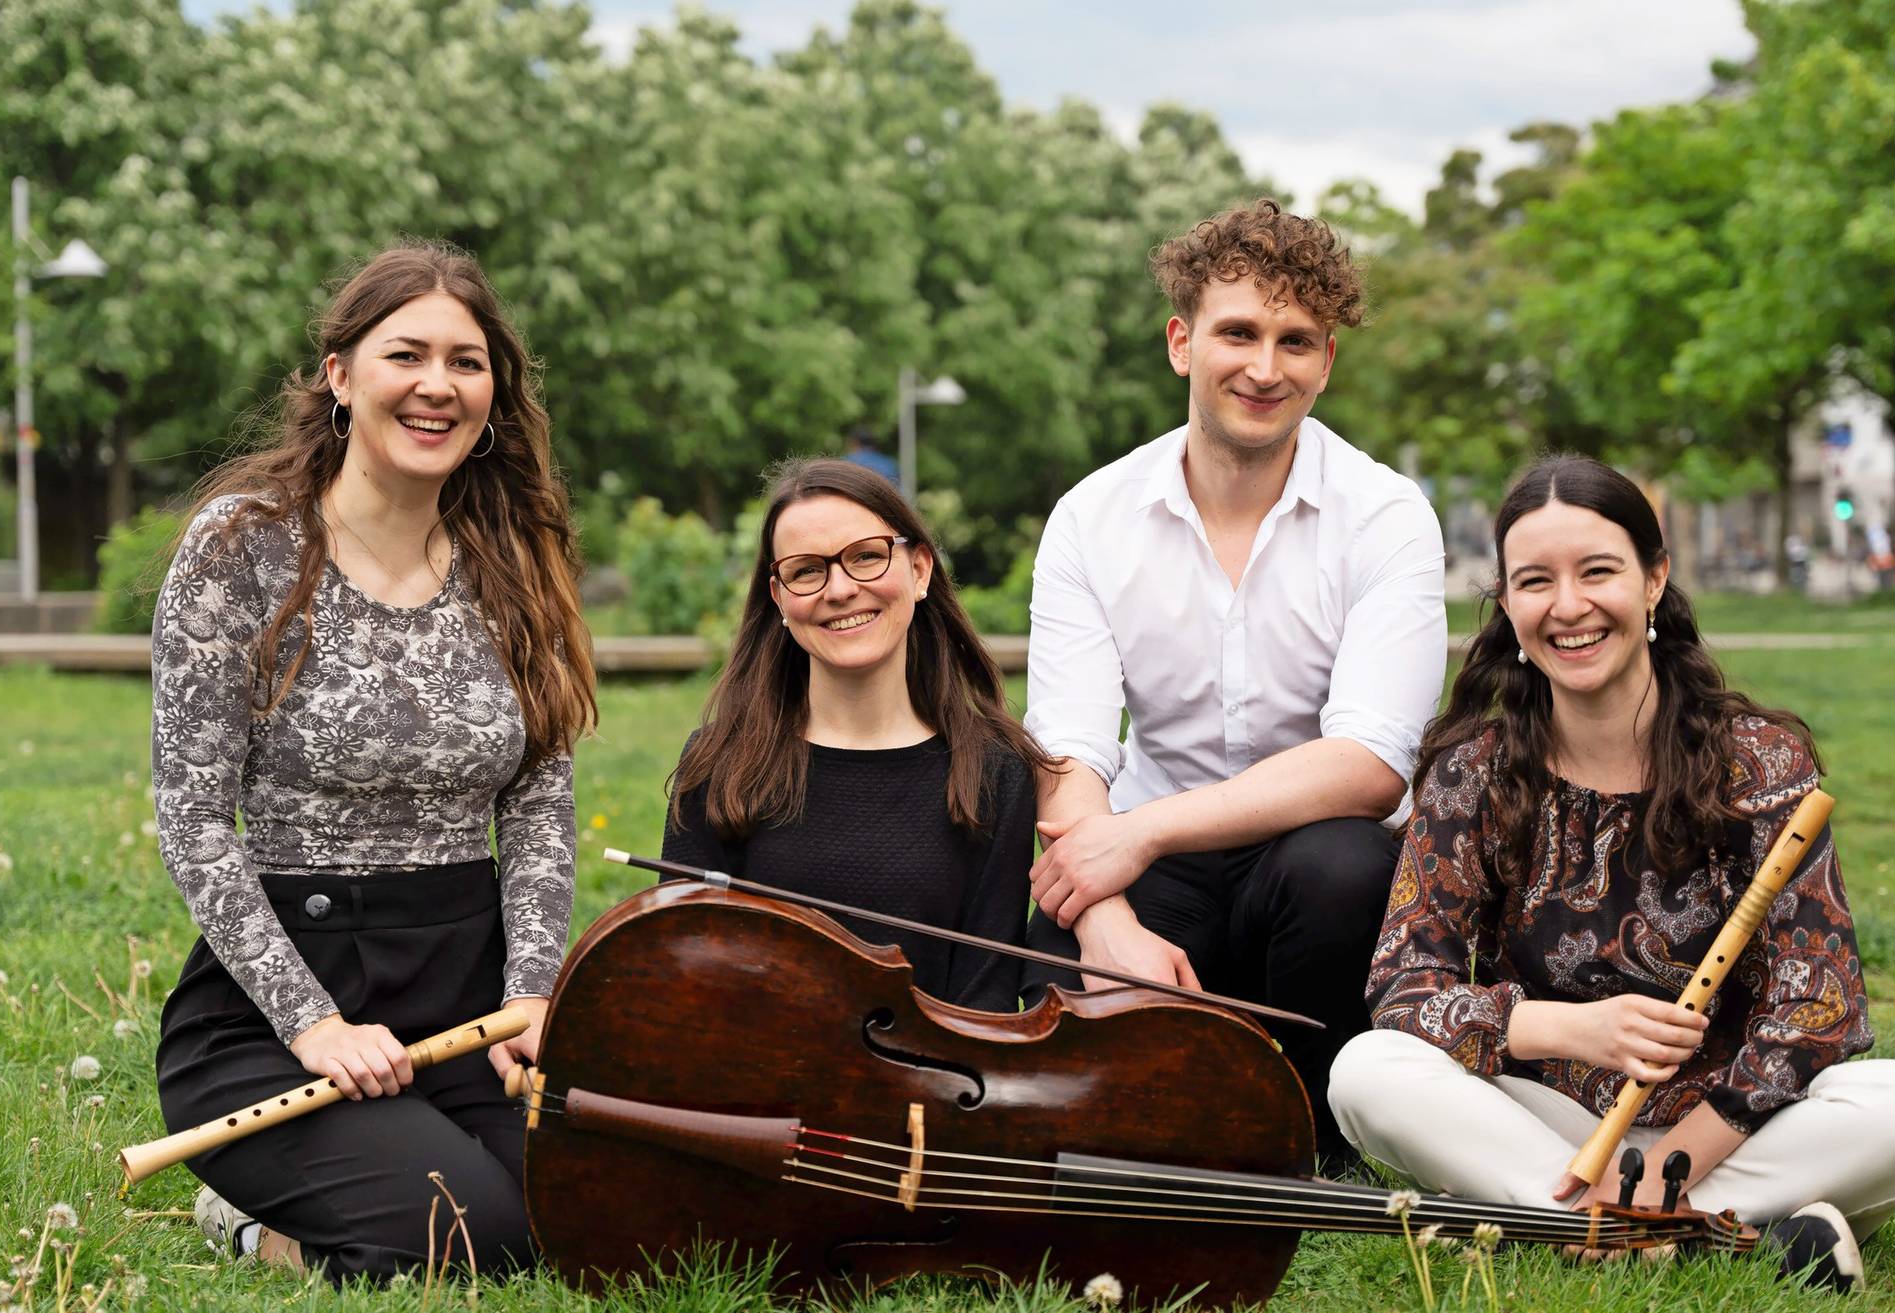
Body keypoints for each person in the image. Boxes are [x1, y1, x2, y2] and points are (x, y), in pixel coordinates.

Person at [1329, 455, 1895, 1289]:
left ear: (1654, 579)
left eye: (1598, 571)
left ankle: (1560, 1220)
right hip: (1545, 1118)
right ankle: (1743, 1229)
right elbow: (1404, 987)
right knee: (1367, 1072)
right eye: (1535, 581)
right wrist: (1564, 1029)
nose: (1569, 605)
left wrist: (1676, 1163)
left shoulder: (1759, 759)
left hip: (1728, 1122)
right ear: (1508, 605)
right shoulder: (1471, 769)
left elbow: (1820, 1004)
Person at [151, 241, 597, 1284]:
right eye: (407, 353)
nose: (438, 384)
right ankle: (245, 1217)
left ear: (495, 392)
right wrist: (313, 1024)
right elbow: (193, 817)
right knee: (469, 1234)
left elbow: (538, 801)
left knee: (596, 1209)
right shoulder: (241, 545)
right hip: (282, 1009)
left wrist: (532, 992)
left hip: (471, 998)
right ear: (342, 376)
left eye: (467, 360)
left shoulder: (515, 556)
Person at [1023, 199, 1448, 1165]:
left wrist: (1141, 830)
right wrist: (1105, 916)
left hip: (1309, 880)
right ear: (1182, 342)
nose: (1265, 367)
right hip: (1155, 877)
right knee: (1052, 930)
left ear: (1326, 361)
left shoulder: (1384, 515)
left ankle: (1302, 1127)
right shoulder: (1092, 518)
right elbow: (1067, 749)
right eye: (1239, 332)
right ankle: (1164, 1105)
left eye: (1295, 340)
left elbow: (1372, 762)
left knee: (1346, 865)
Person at [662, 458, 1062, 1012]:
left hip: (926, 1092)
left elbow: (984, 1002)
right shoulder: (718, 762)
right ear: (779, 598)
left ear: (920, 570)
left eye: (866, 557)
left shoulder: (994, 769)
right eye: (807, 570)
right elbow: (682, 978)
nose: (841, 589)